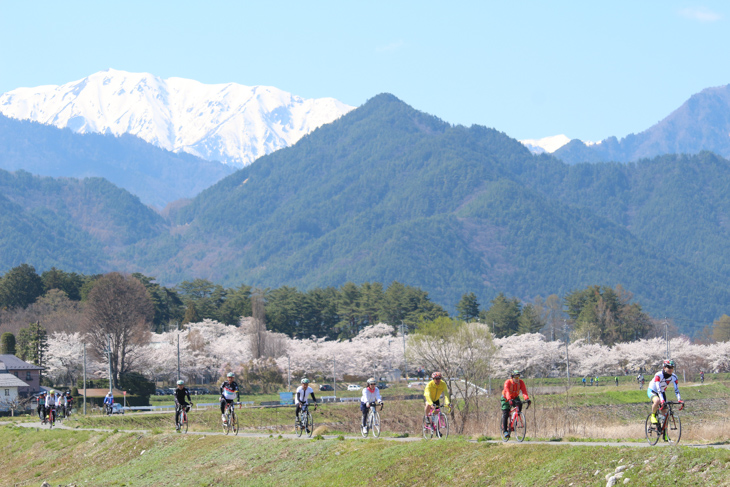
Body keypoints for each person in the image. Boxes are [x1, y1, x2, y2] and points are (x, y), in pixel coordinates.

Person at [648, 360, 684, 430]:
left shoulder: (674, 377)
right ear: (664, 368)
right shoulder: (658, 375)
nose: (670, 369)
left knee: (665, 414)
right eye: (668, 367)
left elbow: (676, 390)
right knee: (657, 400)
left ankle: (664, 433)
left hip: (662, 391)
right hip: (652, 390)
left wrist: (679, 399)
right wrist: (662, 400)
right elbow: (658, 389)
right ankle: (653, 415)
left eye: (672, 367)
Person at [501, 370, 530, 439]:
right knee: (506, 413)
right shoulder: (507, 382)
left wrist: (527, 399)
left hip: (515, 397)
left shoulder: (521, 382)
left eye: (518, 377)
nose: (517, 379)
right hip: (506, 398)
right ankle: (505, 431)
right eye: (515, 377)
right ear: (512, 377)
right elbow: (507, 391)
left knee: (520, 405)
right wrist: (509, 399)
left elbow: (524, 391)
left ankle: (515, 419)